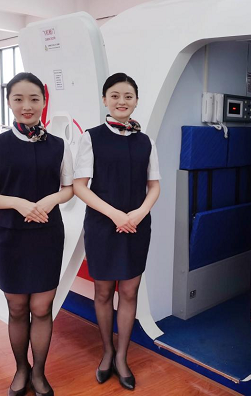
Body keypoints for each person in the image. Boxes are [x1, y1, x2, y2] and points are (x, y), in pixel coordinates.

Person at [0, 72, 74, 396]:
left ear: (44, 102)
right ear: (9, 102)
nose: (26, 105)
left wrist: (51, 199)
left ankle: (39, 373)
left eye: (34, 99)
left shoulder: (60, 145)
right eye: (18, 99)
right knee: (17, 308)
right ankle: (21, 369)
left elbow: (69, 188)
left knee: (42, 308)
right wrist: (17, 202)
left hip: (47, 236)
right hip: (10, 237)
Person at [73, 72, 161, 391]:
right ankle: (107, 351)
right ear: (104, 100)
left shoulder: (146, 141)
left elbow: (154, 186)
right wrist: (114, 215)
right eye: (115, 95)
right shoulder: (91, 137)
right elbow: (80, 186)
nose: (121, 101)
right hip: (102, 225)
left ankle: (122, 356)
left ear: (136, 101)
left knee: (129, 292)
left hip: (136, 225)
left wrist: (138, 213)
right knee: (102, 292)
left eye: (128, 96)